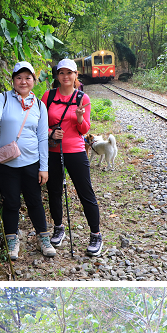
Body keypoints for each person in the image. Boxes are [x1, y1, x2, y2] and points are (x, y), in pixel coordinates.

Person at [0, 63, 56, 260]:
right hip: (7, 163)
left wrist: (44, 167)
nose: (23, 82)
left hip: (32, 162)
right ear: (13, 80)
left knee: (35, 201)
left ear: (34, 80)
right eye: (19, 77)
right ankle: (12, 240)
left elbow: (42, 138)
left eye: (28, 78)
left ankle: (43, 239)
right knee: (10, 202)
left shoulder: (39, 106)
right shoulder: (2, 99)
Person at [42, 58, 102, 257]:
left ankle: (96, 234)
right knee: (54, 192)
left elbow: (84, 129)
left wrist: (79, 117)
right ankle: (58, 228)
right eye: (62, 73)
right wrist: (51, 133)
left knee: (86, 193)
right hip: (53, 151)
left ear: (76, 75)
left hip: (75, 151)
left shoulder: (82, 98)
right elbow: (39, 124)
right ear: (57, 75)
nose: (65, 76)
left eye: (69, 73)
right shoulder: (48, 96)